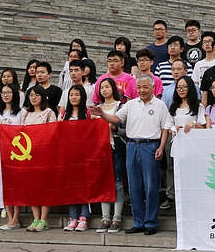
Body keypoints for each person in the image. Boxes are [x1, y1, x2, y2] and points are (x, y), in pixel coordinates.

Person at [91, 75, 173, 236]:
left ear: (152, 88)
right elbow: (115, 118)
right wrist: (102, 114)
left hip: (150, 145)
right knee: (134, 186)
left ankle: (151, 222)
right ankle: (138, 222)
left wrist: (162, 147)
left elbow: (165, 127)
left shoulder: (160, 105)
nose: (142, 90)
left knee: (151, 186)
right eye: (139, 87)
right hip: (132, 145)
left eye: (145, 87)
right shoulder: (130, 104)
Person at [163, 76, 206, 209]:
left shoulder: (197, 106)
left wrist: (193, 123)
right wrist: (174, 128)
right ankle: (171, 195)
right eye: (179, 87)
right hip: (176, 142)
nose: (181, 90)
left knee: (191, 169)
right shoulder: (173, 107)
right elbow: (168, 127)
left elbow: (203, 127)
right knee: (172, 168)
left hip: (192, 145)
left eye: (184, 87)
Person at [22, 85, 57, 232]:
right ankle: (35, 218)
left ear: (42, 97)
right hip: (28, 155)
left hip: (43, 154)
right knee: (31, 187)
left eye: (36, 95)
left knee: (44, 187)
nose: (33, 98)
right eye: (31, 95)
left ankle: (44, 219)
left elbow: (53, 133)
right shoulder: (26, 114)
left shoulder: (48, 113)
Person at [95, 78, 128, 234]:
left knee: (118, 184)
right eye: (102, 87)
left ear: (113, 88)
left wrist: (115, 129)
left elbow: (127, 131)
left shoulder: (121, 107)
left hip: (117, 149)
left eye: (107, 86)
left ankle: (116, 219)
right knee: (104, 184)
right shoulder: (97, 108)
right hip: (100, 151)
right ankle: (105, 219)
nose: (104, 89)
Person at [0, 84, 25, 230]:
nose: (5, 95)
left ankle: (16, 218)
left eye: (9, 92)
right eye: (3, 92)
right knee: (3, 185)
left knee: (15, 186)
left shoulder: (21, 112)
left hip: (15, 154)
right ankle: (10, 218)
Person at [60, 85, 92, 232]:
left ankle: (84, 217)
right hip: (68, 155)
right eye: (71, 95)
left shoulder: (87, 113)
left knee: (83, 186)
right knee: (70, 186)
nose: (73, 97)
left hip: (83, 155)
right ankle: (73, 217)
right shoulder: (63, 114)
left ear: (82, 96)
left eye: (77, 95)